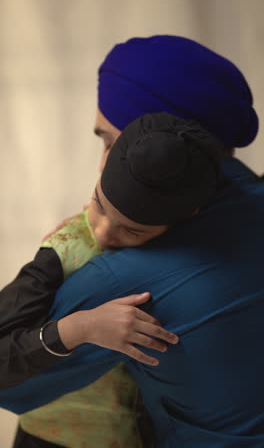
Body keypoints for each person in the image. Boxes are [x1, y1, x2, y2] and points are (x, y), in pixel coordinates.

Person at [1, 35, 262, 448]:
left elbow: (9, 385)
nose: (103, 163)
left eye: (110, 141)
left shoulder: (122, 281)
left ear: (155, 142)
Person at [1, 111, 220, 447]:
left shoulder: (187, 258)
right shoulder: (66, 248)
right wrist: (80, 327)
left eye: (131, 230)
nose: (102, 234)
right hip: (46, 438)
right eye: (98, 205)